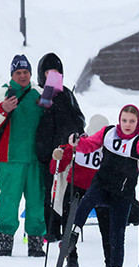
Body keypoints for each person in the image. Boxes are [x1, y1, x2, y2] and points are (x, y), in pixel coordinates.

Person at [66, 105, 139, 267]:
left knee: (117, 235)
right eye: (124, 120)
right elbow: (89, 145)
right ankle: (72, 235)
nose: (127, 125)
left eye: (132, 122)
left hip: (123, 193)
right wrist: (77, 142)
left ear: (137, 123)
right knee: (87, 200)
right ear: (119, 120)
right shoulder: (108, 132)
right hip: (102, 184)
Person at [0, 54, 46, 257]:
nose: (22, 76)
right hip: (9, 158)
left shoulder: (38, 93)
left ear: (30, 73)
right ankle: (5, 242)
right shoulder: (2, 93)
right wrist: (3, 109)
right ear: (12, 74)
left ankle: (36, 243)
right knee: (9, 202)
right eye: (18, 72)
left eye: (25, 72)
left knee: (37, 203)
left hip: (35, 160)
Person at [49, 114, 111, 267]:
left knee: (107, 227)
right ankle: (72, 261)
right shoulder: (79, 143)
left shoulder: (110, 146)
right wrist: (57, 156)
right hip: (76, 188)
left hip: (99, 189)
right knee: (69, 225)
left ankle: (110, 264)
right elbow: (56, 167)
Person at [35, 53, 85, 243]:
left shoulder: (66, 93)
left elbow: (78, 117)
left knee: (65, 192)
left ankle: (65, 227)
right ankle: (49, 228)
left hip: (66, 152)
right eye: (48, 72)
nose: (52, 76)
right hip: (46, 153)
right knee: (47, 192)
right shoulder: (37, 93)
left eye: (56, 72)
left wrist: (76, 135)